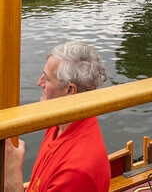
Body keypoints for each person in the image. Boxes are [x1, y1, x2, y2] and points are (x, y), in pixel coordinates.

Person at [3, 41, 111, 192]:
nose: (39, 82)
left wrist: (11, 175)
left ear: (69, 91)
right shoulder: (61, 122)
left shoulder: (76, 172)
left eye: (47, 78)